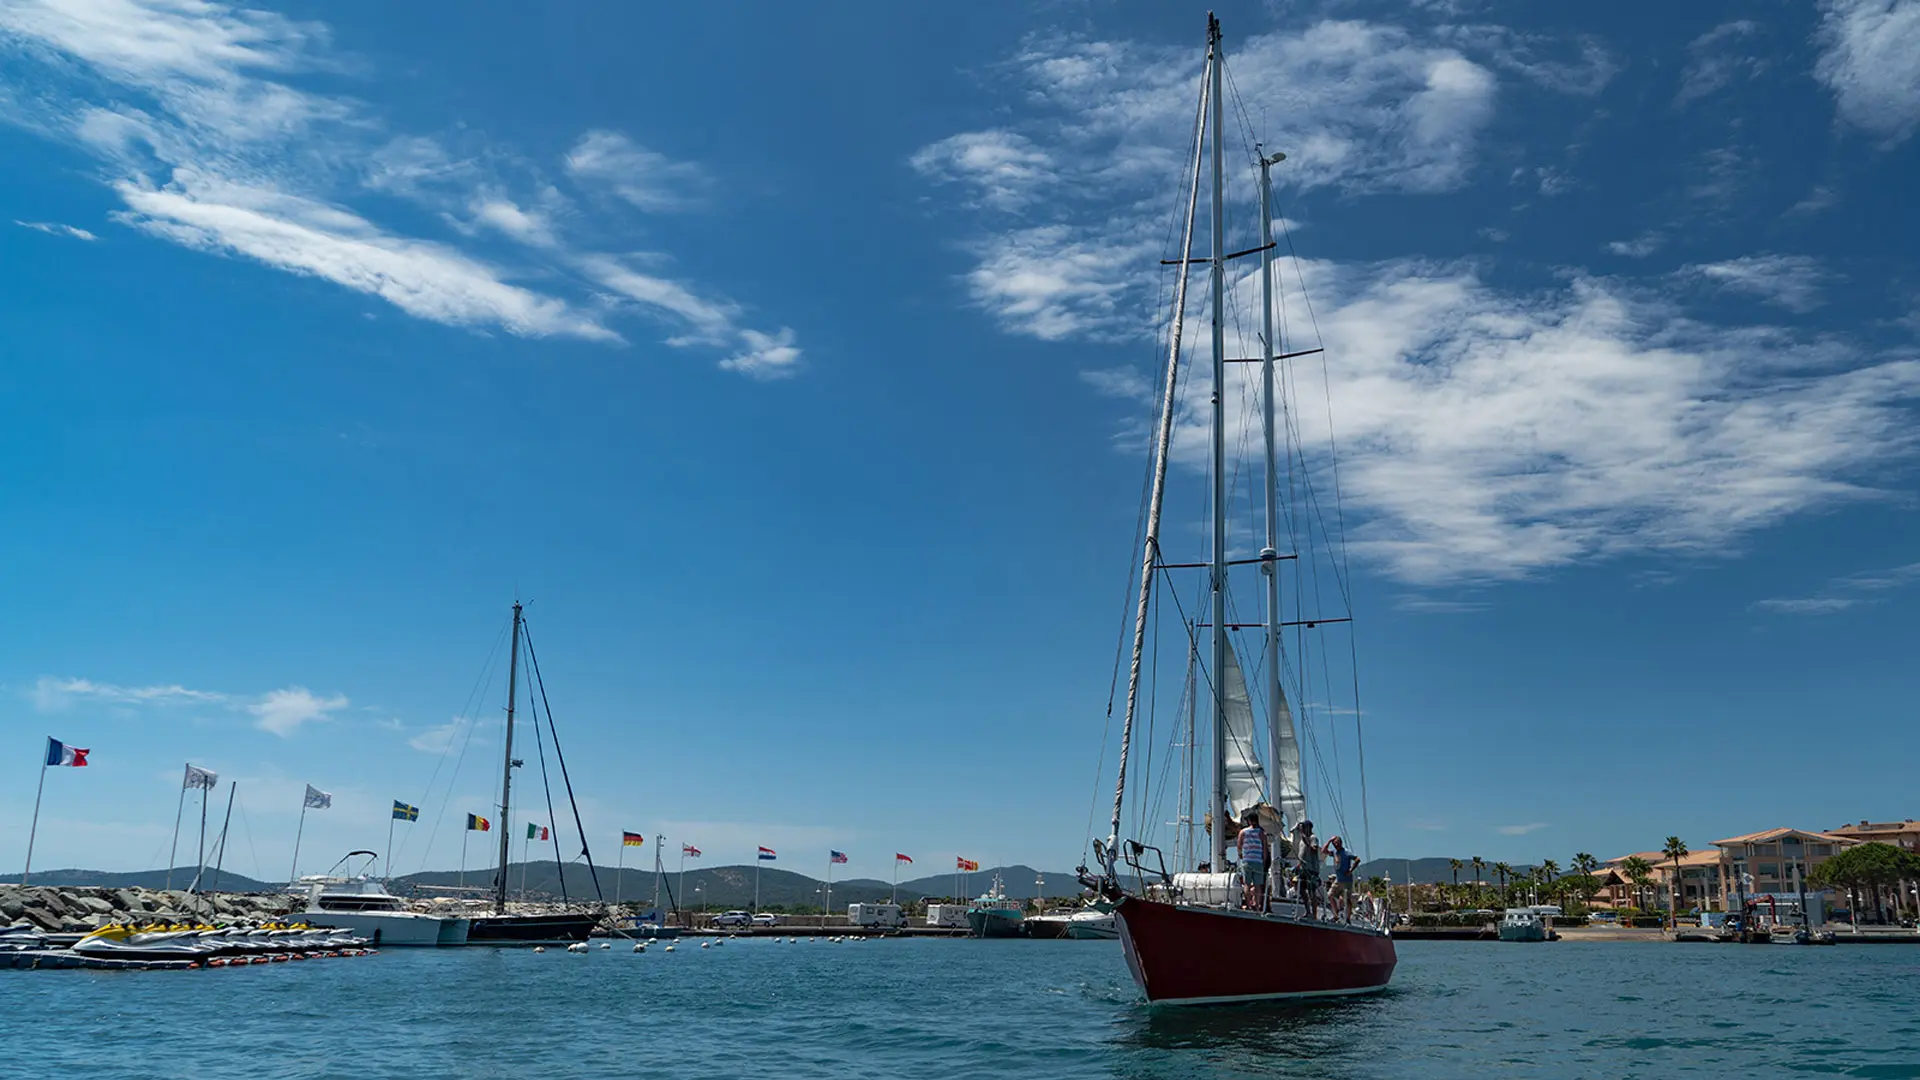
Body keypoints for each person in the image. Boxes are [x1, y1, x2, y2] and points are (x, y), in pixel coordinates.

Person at [1234, 809, 1267, 911]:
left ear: (1249, 821)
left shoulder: (1243, 832)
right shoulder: (1261, 833)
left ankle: (1248, 904)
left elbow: (1239, 846)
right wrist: (1264, 860)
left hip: (1247, 860)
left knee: (1247, 884)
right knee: (1258, 885)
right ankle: (1257, 906)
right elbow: (1264, 848)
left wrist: (1241, 856)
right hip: (1258, 861)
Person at [1324, 836, 1359, 922]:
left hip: (1346, 880)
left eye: (1337, 843)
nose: (1336, 845)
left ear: (1341, 843)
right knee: (1330, 895)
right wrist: (1329, 840)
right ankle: (1336, 914)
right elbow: (1324, 851)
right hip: (1338, 879)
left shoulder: (1346, 852)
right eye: (1334, 843)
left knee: (1347, 899)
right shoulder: (1334, 852)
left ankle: (1348, 918)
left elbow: (1357, 859)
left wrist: (1351, 870)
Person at [1292, 820, 1321, 920]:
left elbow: (1314, 849)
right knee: (1300, 888)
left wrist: (1307, 842)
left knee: (1311, 891)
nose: (1303, 829)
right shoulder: (1301, 840)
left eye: (1304, 827)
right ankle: (1308, 911)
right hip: (1303, 868)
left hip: (1311, 869)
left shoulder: (1313, 838)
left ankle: (1314, 914)